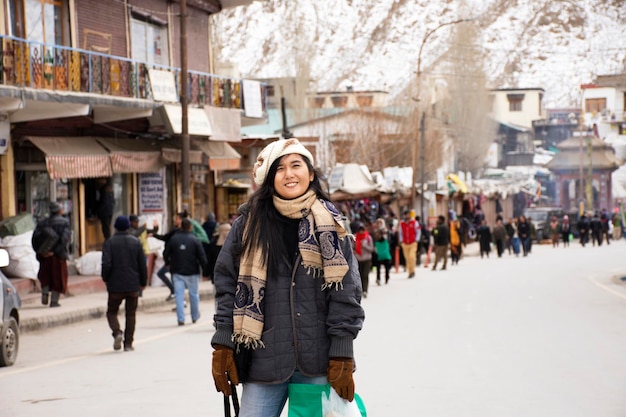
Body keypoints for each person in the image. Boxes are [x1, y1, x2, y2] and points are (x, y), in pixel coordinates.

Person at [211, 138, 364, 416]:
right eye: (279, 168)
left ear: (311, 174)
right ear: (270, 178)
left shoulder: (330, 224)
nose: (289, 174)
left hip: (318, 361)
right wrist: (223, 342)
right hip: (263, 362)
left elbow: (346, 291)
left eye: (296, 165)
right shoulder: (248, 225)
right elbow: (226, 286)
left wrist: (342, 351)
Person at [101, 215, 147, 352]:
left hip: (115, 285)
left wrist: (106, 278)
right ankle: (128, 344)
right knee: (131, 314)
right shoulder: (136, 242)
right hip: (133, 284)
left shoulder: (109, 242)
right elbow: (142, 265)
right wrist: (143, 283)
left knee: (111, 312)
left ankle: (117, 332)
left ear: (115, 227)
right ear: (128, 226)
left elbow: (106, 264)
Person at [163, 218, 208, 326]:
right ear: (190, 227)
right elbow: (202, 257)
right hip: (192, 272)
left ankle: (181, 318)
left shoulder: (173, 239)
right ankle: (195, 316)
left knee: (179, 295)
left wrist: (168, 263)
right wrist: (205, 272)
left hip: (177, 271)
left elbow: (165, 253)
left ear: (181, 226)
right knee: (194, 295)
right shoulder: (195, 239)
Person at [32, 201, 71, 307]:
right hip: (58, 256)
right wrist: (56, 251)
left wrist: (42, 252)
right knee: (58, 279)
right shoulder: (64, 223)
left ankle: (44, 293)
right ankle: (54, 301)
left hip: (45, 256)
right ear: (59, 211)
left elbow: (34, 239)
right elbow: (64, 239)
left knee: (45, 276)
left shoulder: (42, 223)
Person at [398, 210, 420, 278]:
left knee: (411, 257)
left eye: (408, 215)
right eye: (405, 215)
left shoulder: (414, 222)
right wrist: (401, 240)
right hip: (405, 243)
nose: (407, 216)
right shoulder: (402, 224)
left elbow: (418, 231)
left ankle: (412, 271)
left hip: (413, 242)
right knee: (407, 258)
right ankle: (410, 272)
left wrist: (417, 239)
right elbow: (400, 233)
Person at [354, 223, 374, 297]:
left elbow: (371, 249)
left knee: (365, 275)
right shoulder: (355, 238)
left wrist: (364, 245)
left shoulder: (368, 238)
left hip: (367, 259)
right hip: (358, 259)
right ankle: (360, 290)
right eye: (359, 230)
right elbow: (352, 248)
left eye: (362, 230)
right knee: (359, 275)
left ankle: (365, 290)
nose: (361, 232)